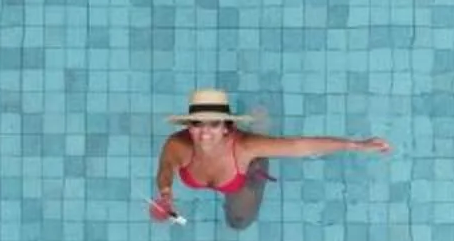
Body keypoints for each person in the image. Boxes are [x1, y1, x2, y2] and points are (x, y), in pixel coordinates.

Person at [149, 89, 389, 231]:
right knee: (236, 222)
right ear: (188, 126)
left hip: (243, 172)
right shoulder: (178, 144)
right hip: (227, 171)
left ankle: (260, 135)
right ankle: (257, 120)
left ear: (225, 127)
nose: (204, 132)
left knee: (239, 221)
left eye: (214, 123)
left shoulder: (244, 147)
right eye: (197, 124)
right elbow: (166, 167)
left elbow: (299, 146)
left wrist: (355, 145)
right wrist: (166, 194)